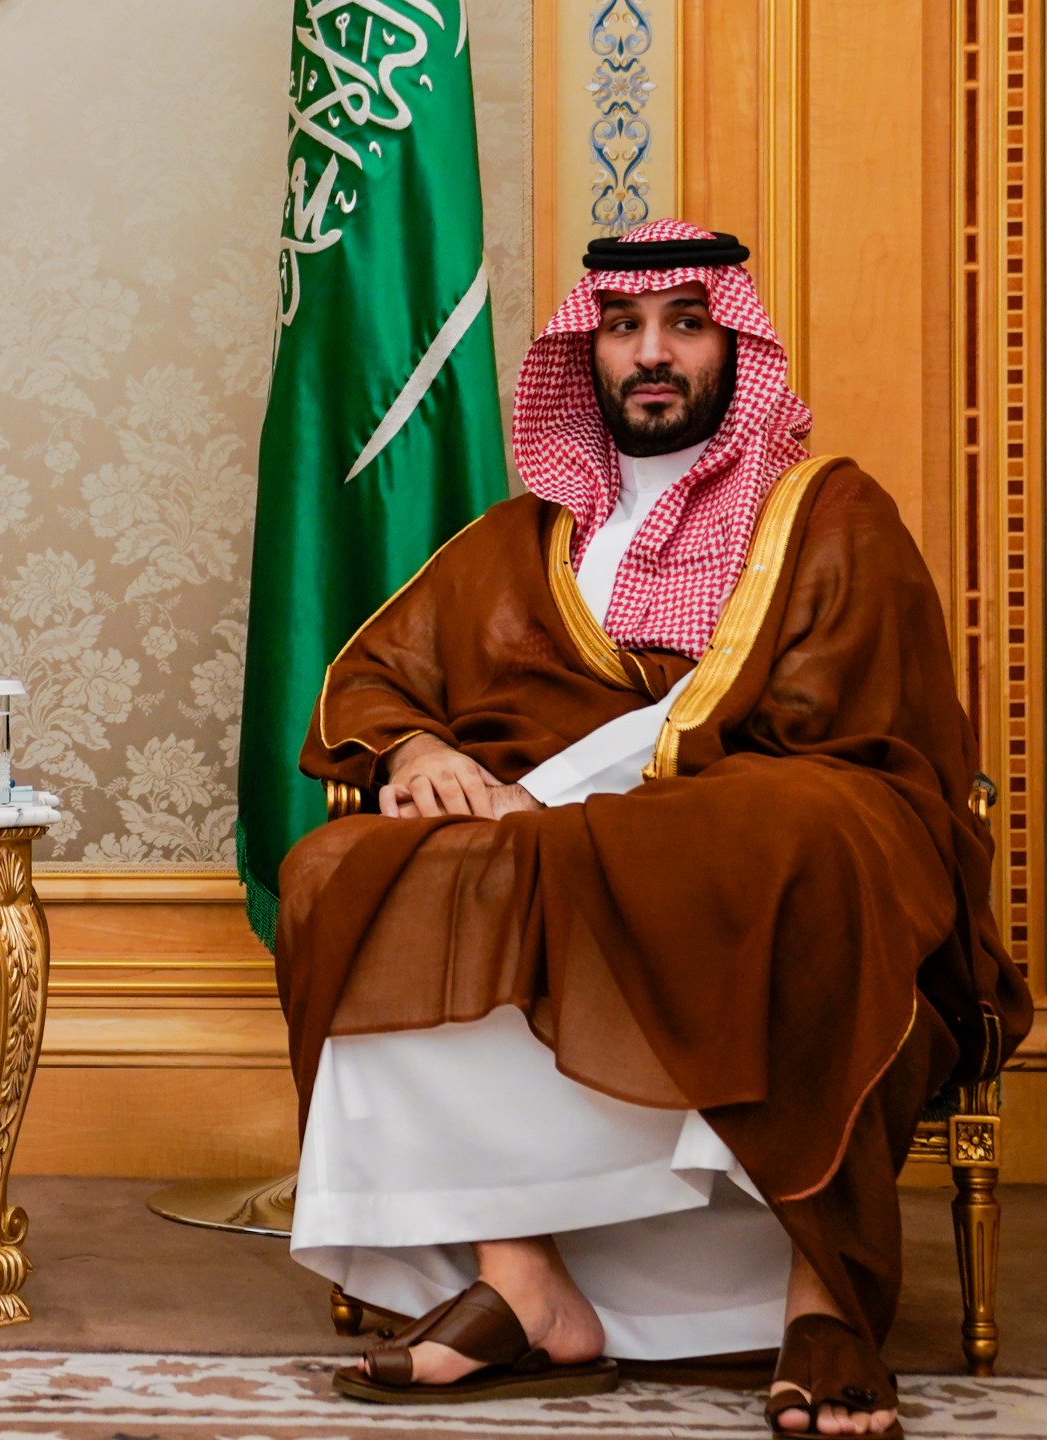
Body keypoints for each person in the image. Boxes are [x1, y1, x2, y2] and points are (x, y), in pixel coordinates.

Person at [274, 219, 1028, 1438]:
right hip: (555, 847)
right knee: (343, 867)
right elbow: (373, 682)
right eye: (622, 329)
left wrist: (572, 792)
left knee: (797, 833)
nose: (651, 354)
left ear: (735, 347)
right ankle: (522, 1285)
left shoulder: (828, 511)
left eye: (685, 324)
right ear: (588, 358)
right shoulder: (520, 542)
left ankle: (818, 1292)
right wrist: (419, 751)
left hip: (761, 813)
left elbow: (835, 716)